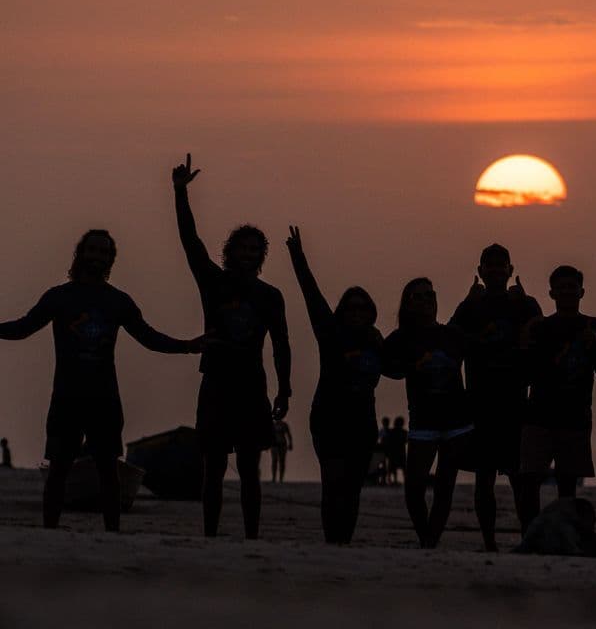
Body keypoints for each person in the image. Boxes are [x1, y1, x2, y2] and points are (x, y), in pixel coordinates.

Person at [0, 230, 202, 531]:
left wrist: (187, 345)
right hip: (66, 398)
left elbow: (148, 337)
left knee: (108, 471)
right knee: (58, 470)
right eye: (92, 250)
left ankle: (112, 534)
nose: (97, 257)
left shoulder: (118, 301)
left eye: (104, 252)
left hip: (104, 399)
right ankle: (50, 533)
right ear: (80, 254)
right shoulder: (59, 297)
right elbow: (23, 328)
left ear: (111, 260)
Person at [171, 154, 292, 540]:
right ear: (230, 252)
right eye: (242, 248)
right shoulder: (213, 281)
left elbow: (281, 344)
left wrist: (284, 388)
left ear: (262, 256)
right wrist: (179, 194)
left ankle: (252, 536)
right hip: (216, 383)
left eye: (255, 250)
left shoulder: (270, 295)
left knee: (250, 469)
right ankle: (210, 534)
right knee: (214, 468)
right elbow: (190, 242)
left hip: (252, 385)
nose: (247, 255)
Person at [287, 226, 385, 544]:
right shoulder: (330, 334)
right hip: (329, 420)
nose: (356, 312)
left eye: (362, 307)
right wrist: (299, 259)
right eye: (351, 307)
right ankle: (332, 541)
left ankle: (344, 541)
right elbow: (312, 297)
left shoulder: (376, 340)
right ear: (342, 311)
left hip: (362, 423)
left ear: (371, 313)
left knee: (353, 487)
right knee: (333, 484)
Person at [449, 244, 542, 549]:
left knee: (521, 480)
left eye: (501, 265)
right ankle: (489, 542)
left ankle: (528, 538)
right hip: (480, 403)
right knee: (484, 478)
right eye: (490, 265)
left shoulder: (525, 304)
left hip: (515, 402)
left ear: (510, 270)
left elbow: (540, 337)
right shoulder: (470, 306)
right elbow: (448, 341)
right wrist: (466, 302)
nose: (496, 270)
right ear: (480, 271)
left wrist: (526, 311)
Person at [383, 278, 473, 548]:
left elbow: (483, 352)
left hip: (457, 422)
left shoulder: (452, 334)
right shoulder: (402, 338)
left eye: (429, 294)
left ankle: (430, 542)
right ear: (408, 304)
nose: (425, 300)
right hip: (423, 422)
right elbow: (385, 365)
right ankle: (426, 538)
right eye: (417, 296)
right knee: (414, 490)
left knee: (445, 488)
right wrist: (412, 366)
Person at [519, 265, 596, 527]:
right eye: (562, 288)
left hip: (575, 417)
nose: (567, 292)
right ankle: (530, 536)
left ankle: (563, 534)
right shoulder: (541, 327)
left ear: (582, 291)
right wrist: (525, 342)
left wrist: (595, 345)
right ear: (552, 293)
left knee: (568, 485)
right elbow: (525, 374)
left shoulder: (592, 325)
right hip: (538, 415)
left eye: (572, 287)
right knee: (529, 481)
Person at [388, 417, 408, 486]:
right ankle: (397, 480)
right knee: (400, 468)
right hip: (399, 452)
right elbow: (406, 441)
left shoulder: (392, 432)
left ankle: (394, 480)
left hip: (395, 452)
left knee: (394, 468)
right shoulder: (404, 432)